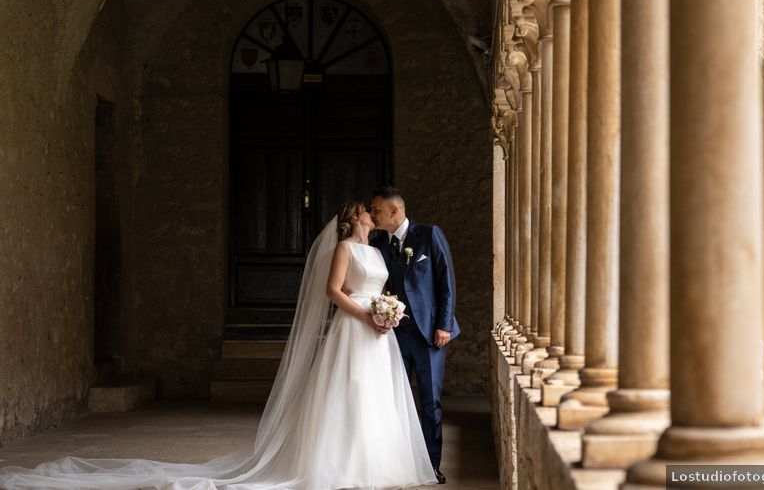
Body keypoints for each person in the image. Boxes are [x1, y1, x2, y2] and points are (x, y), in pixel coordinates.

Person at [0, 201, 438, 490]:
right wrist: (366, 314)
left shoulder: (379, 252)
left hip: (377, 334)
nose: (374, 215)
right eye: (368, 211)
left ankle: (377, 461)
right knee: (350, 392)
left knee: (377, 396)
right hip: (353, 326)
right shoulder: (344, 246)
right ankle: (342, 464)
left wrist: (389, 311)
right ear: (354, 217)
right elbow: (333, 291)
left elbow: (385, 287)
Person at [369, 187, 459, 485]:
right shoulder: (378, 243)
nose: (373, 215)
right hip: (393, 334)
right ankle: (400, 464)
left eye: (377, 210)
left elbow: (446, 282)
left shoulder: (429, 234)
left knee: (430, 401)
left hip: (430, 334)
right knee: (396, 401)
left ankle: (431, 466)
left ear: (394, 211)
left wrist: (444, 325)